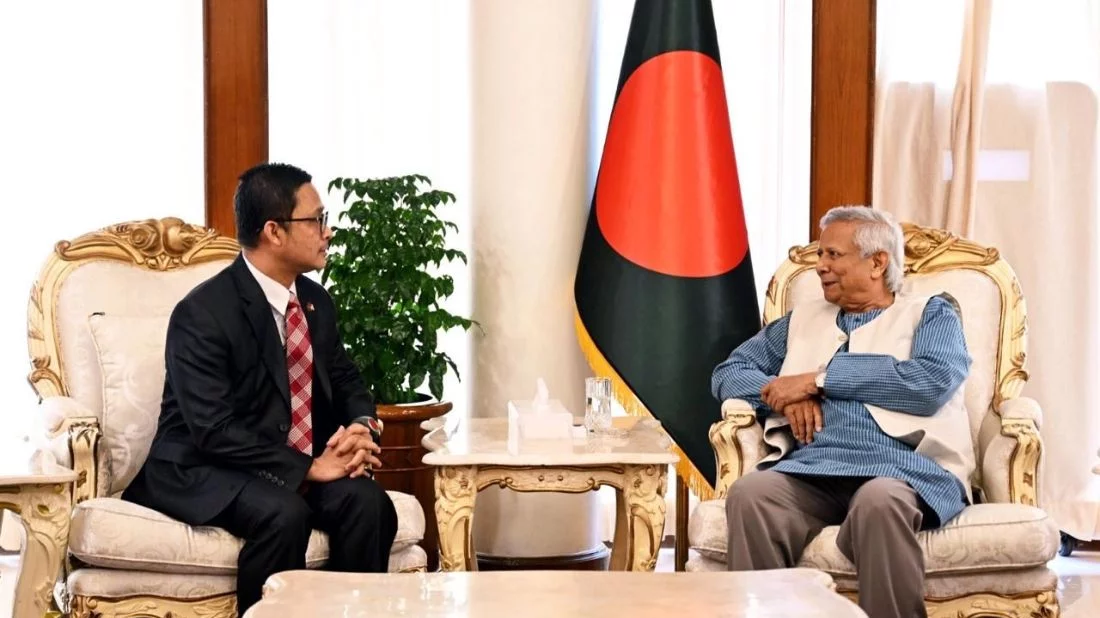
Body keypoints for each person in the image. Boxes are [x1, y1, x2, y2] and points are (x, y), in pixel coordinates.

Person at [123, 162, 397, 614]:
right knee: (283, 514)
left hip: (284, 461)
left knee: (369, 504)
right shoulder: (203, 314)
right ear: (274, 231)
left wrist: (361, 428)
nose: (328, 233)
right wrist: (308, 469)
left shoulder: (315, 301)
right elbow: (213, 429)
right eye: (317, 220)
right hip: (204, 465)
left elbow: (345, 378)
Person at [712, 206, 974, 618]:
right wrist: (785, 396)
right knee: (752, 494)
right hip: (813, 469)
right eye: (820, 256)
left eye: (833, 255)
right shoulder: (800, 321)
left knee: (879, 502)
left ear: (877, 263)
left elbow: (931, 383)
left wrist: (820, 379)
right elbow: (729, 373)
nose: (820, 267)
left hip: (902, 470)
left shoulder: (931, 313)